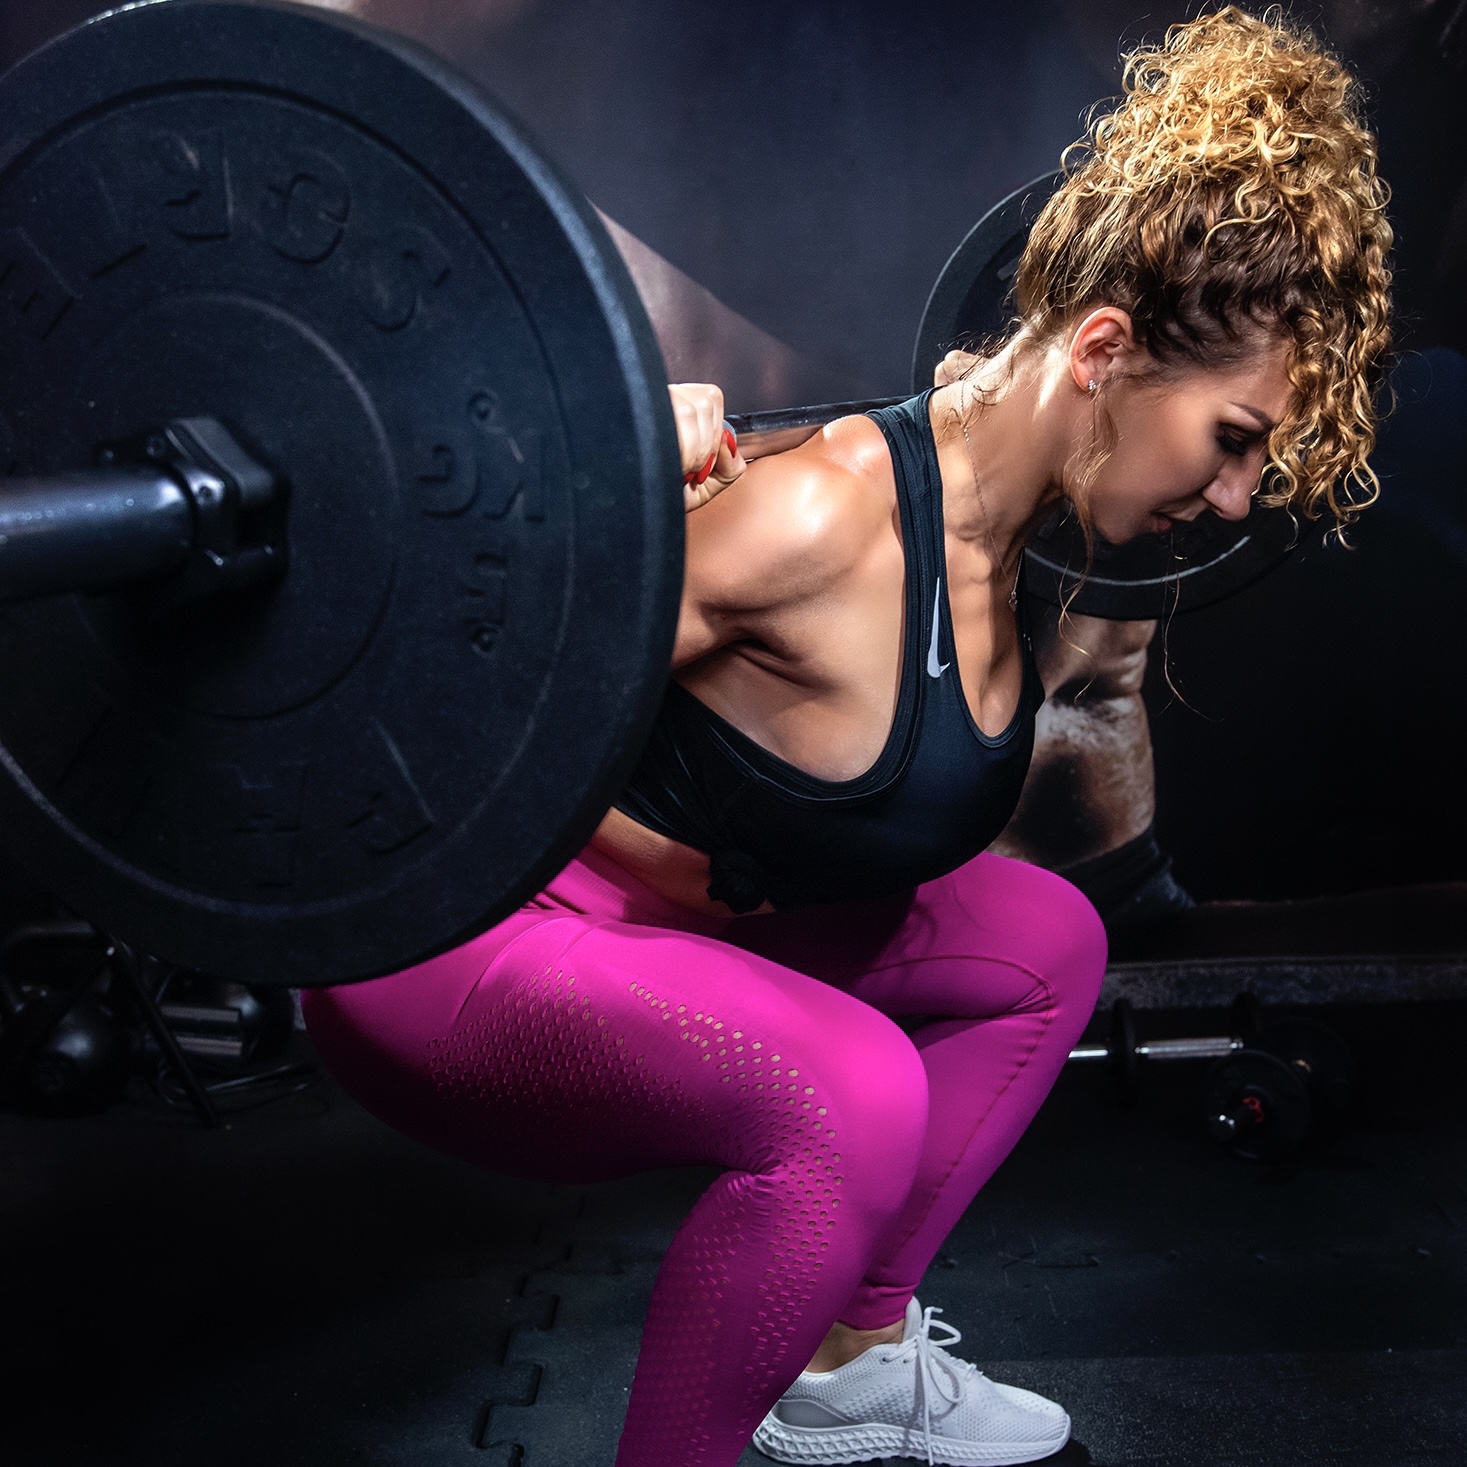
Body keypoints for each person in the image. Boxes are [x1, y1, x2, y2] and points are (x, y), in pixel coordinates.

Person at [301, 9, 1392, 1464]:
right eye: (1234, 438)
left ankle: (847, 1360)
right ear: (1102, 352)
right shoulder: (817, 522)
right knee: (855, 1091)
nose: (1240, 497)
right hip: (452, 942)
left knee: (1047, 943)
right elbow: (427, 676)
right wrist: (586, 479)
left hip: (662, 922)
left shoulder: (1000, 527)